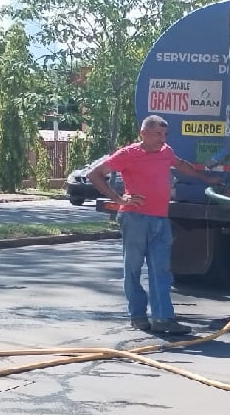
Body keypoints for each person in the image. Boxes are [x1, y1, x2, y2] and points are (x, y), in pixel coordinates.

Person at [88, 115, 221, 334]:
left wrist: (207, 179)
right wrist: (119, 199)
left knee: (161, 270)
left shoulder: (166, 152)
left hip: (160, 219)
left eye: (165, 134)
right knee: (133, 268)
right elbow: (95, 174)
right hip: (135, 218)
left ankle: (163, 319)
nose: (163, 138)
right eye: (158, 134)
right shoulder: (128, 154)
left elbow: (181, 165)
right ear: (144, 134)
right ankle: (138, 316)